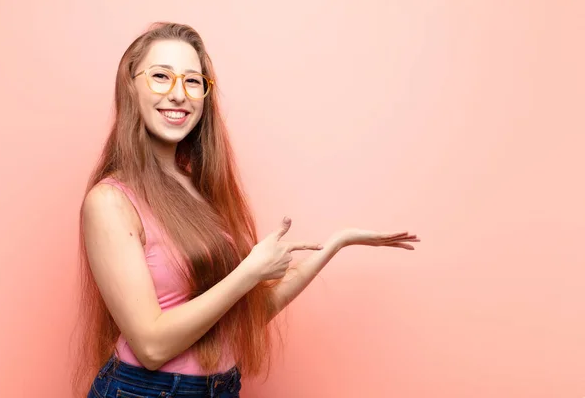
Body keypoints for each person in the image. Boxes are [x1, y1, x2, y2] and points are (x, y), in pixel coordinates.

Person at [71, 22, 420, 398]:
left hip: (221, 388)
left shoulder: (197, 189)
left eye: (192, 82)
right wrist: (250, 271)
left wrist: (337, 244)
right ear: (130, 86)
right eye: (160, 77)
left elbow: (246, 314)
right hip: (147, 390)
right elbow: (152, 346)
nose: (178, 94)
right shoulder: (110, 201)